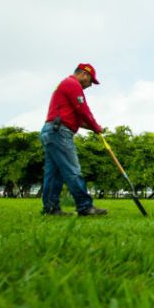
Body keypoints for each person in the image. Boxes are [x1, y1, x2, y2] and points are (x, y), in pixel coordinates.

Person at [40, 63, 108, 216]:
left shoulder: (65, 85)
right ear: (84, 74)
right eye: (91, 81)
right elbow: (83, 110)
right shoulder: (72, 84)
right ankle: (85, 206)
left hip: (51, 130)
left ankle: (51, 208)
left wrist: (94, 128)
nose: (90, 85)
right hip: (59, 132)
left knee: (54, 173)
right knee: (73, 170)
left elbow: (77, 119)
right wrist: (95, 126)